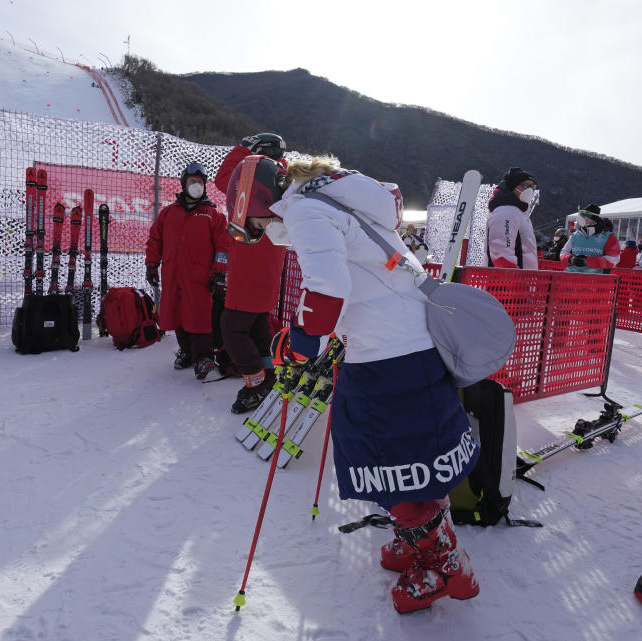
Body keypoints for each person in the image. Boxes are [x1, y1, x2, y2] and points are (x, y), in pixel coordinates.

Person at [265, 154, 481, 614]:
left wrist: (300, 346)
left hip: (385, 355)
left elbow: (327, 289)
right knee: (417, 455)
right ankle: (419, 540)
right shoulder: (348, 203)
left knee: (384, 459)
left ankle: (444, 563)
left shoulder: (305, 209)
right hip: (413, 346)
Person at [214, 135, 289, 413]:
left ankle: (255, 385)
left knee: (232, 327)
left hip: (251, 260)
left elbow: (224, 180)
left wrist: (243, 149)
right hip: (266, 263)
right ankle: (267, 376)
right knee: (256, 322)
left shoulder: (255, 175)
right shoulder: (282, 177)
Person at [145, 162, 229, 379]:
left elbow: (223, 245)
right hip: (173, 274)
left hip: (200, 277)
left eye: (200, 182)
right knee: (177, 314)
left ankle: (203, 357)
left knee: (199, 315)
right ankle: (187, 351)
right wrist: (151, 265)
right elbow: (155, 240)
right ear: (184, 184)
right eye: (192, 182)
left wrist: (219, 270)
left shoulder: (212, 214)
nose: (196, 185)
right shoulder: (167, 214)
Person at [485, 167, 539, 269]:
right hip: (507, 282)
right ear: (512, 187)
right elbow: (501, 255)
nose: (530, 190)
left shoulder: (518, 212)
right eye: (525, 185)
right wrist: (514, 281)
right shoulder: (506, 212)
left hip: (521, 280)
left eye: (532, 186)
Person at [559, 204, 620, 273]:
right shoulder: (575, 235)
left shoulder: (608, 236)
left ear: (593, 217)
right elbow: (563, 252)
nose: (582, 218)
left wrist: (588, 261)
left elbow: (613, 259)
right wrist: (571, 259)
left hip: (594, 279)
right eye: (582, 215)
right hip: (570, 277)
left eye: (585, 215)